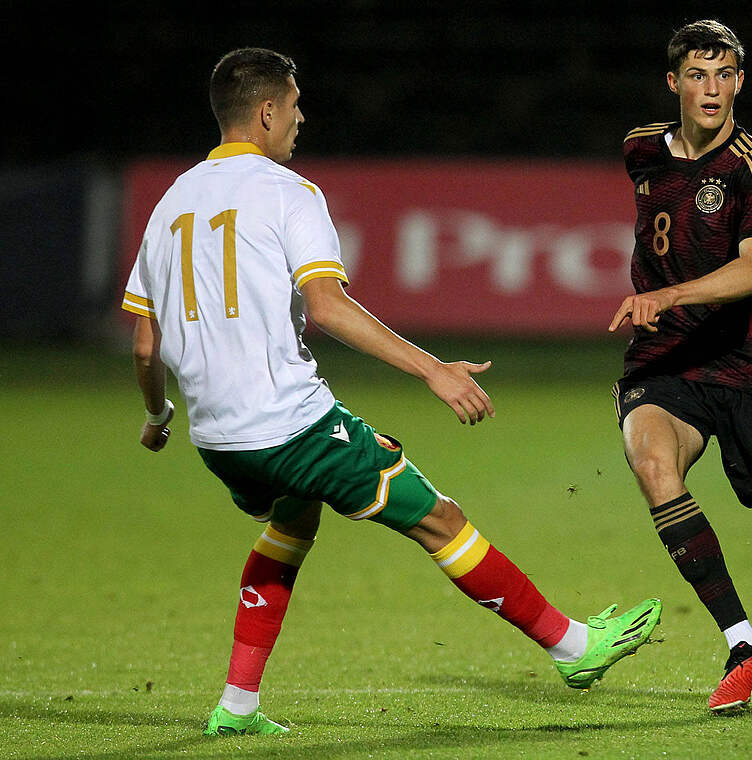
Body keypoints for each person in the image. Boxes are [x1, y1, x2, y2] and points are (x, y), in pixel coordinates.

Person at [123, 47, 661, 737]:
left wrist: (157, 415)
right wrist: (432, 368)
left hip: (218, 440)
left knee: (290, 523)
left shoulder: (169, 202)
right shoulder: (290, 194)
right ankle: (574, 647)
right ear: (265, 111)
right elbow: (327, 307)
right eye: (293, 104)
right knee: (438, 517)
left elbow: (145, 345)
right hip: (291, 425)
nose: (300, 117)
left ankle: (237, 704)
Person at [607, 20, 752, 712]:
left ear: (739, 82)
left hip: (745, 366)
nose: (712, 88)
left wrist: (667, 292)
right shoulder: (641, 149)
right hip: (663, 364)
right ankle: (742, 643)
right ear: (674, 83)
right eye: (697, 75)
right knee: (650, 461)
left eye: (724, 74)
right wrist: (662, 305)